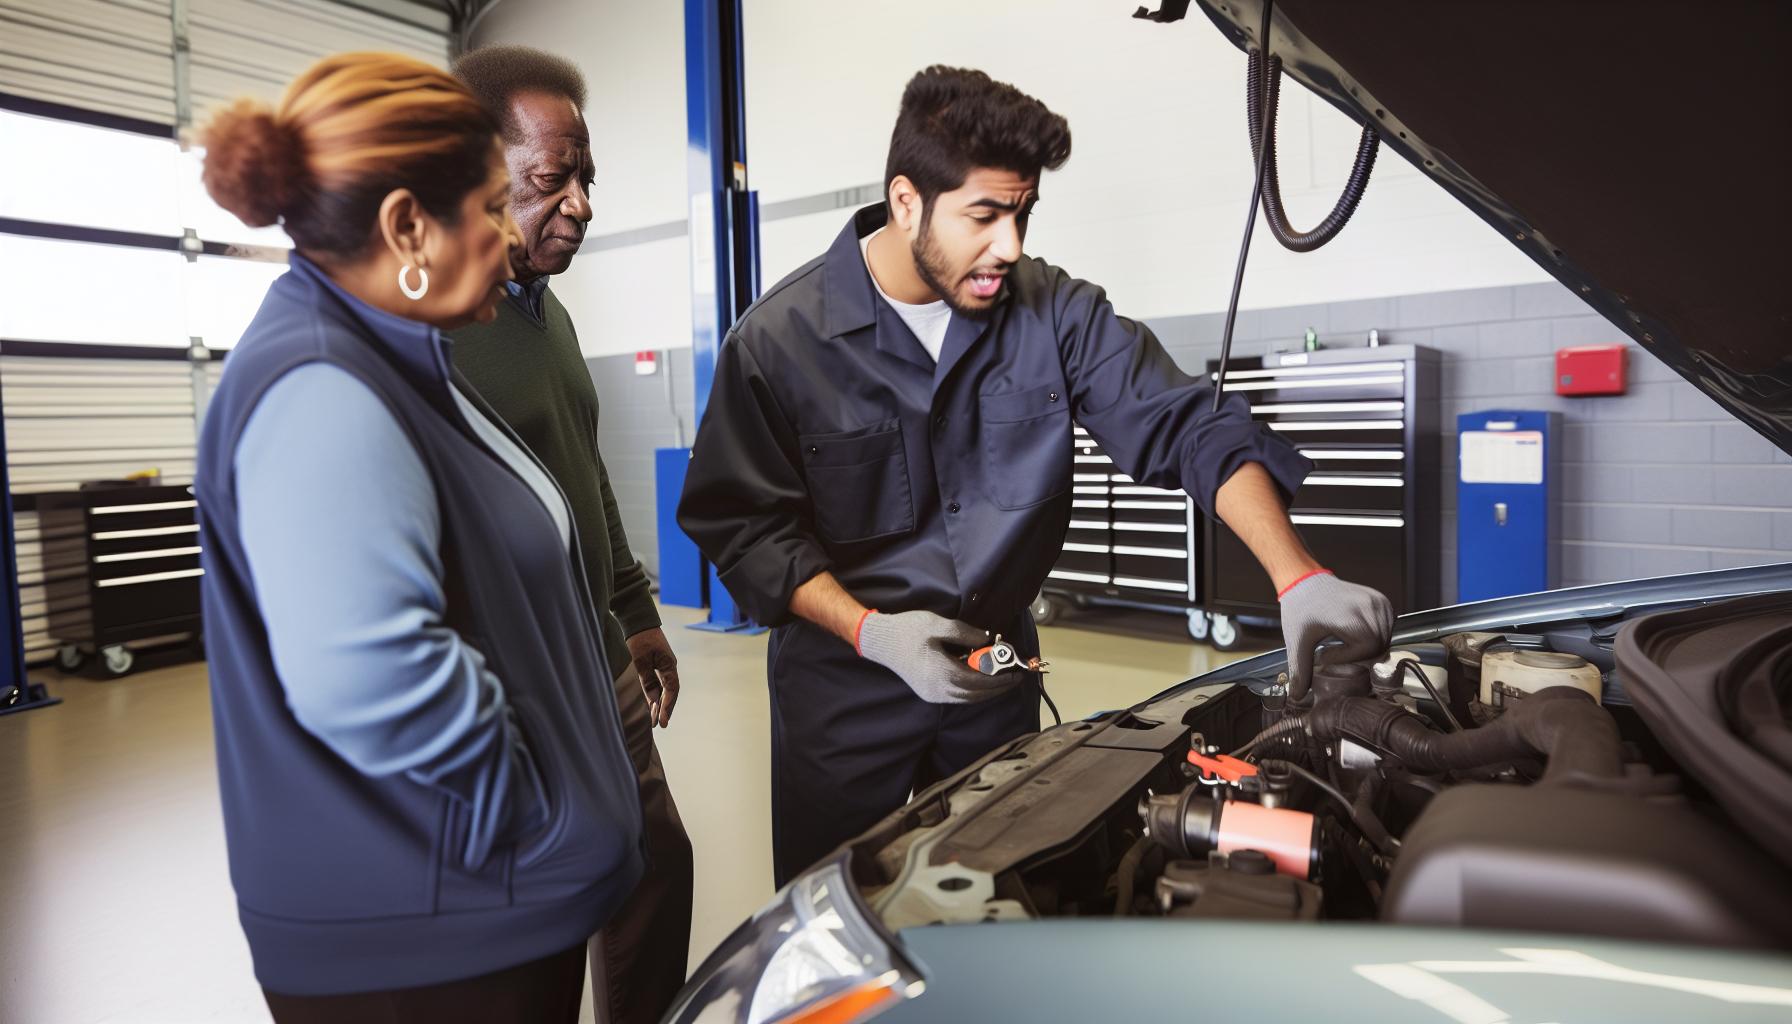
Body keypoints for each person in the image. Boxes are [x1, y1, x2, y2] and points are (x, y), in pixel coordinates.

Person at [677, 65, 1394, 887]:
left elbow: (1184, 422)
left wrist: (1294, 574)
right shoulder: (778, 342)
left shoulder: (1053, 311)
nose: (1009, 245)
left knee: (1015, 894)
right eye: (983, 215)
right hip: (845, 694)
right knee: (846, 914)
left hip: (997, 683)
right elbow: (748, 528)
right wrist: (874, 632)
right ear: (907, 201)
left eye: (1021, 213)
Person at [195, 52, 643, 1023]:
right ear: (406, 225)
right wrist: (533, 820)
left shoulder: (397, 356)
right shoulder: (323, 387)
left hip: (478, 912)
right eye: (490, 207)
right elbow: (366, 673)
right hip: (434, 940)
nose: (503, 236)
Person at [449, 45, 693, 1024]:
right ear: (475, 167)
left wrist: (633, 611)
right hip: (517, 696)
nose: (582, 204)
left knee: (654, 870)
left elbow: (584, 467)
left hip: (599, 669)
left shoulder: (545, 313)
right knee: (536, 941)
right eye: (554, 179)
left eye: (587, 178)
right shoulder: (432, 328)